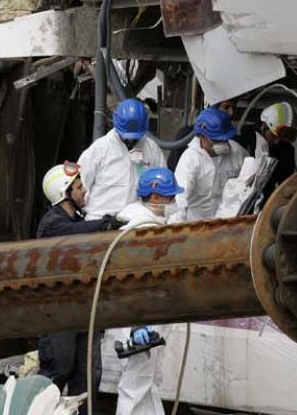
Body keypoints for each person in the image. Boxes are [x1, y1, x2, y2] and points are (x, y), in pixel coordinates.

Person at [36, 161, 123, 415]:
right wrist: (103, 225)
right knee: (58, 370)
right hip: (59, 310)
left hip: (84, 308)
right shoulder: (53, 224)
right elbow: (74, 233)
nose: (84, 190)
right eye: (79, 186)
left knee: (88, 375)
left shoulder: (78, 219)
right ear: (65, 192)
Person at [112, 168, 184, 415]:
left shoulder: (148, 225)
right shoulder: (139, 230)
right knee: (135, 385)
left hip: (148, 316)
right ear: (154, 197)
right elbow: (130, 283)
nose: (174, 202)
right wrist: (136, 324)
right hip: (139, 321)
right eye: (170, 197)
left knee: (148, 382)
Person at [78, 98, 165, 220]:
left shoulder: (152, 149)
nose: (130, 141)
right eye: (126, 136)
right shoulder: (100, 149)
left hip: (134, 221)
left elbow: (162, 184)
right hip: (99, 219)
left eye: (135, 137)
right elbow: (80, 184)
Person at [174, 107, 248, 221]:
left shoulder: (237, 152)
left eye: (225, 139)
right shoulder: (190, 159)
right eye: (217, 140)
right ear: (202, 136)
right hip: (196, 223)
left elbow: (250, 180)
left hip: (228, 222)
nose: (223, 144)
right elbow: (180, 198)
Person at [258, 102, 297, 199]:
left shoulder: (286, 150)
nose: (277, 142)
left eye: (282, 138)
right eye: (273, 136)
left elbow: (285, 182)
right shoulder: (249, 142)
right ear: (264, 127)